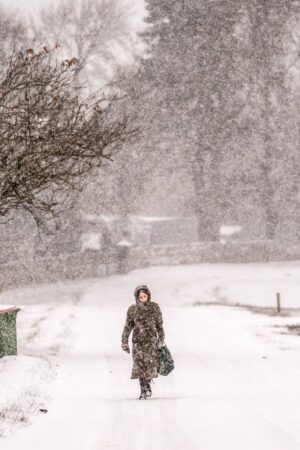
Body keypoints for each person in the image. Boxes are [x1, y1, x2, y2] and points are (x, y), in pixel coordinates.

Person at [121, 284, 165, 400]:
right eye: (141, 297)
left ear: (148, 296)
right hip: (138, 342)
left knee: (150, 365)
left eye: (145, 296)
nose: (143, 299)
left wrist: (161, 339)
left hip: (151, 342)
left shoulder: (154, 308)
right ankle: (143, 390)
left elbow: (159, 325)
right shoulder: (133, 310)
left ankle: (148, 385)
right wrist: (124, 341)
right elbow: (128, 326)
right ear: (137, 297)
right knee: (140, 366)